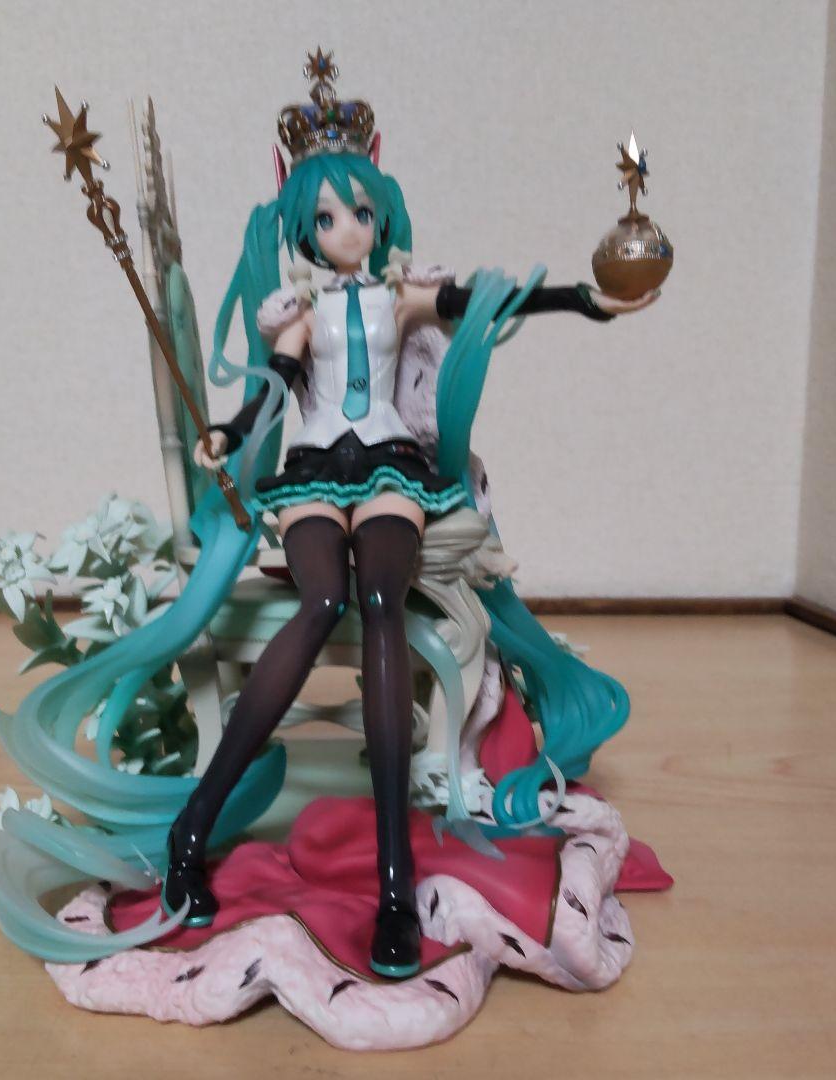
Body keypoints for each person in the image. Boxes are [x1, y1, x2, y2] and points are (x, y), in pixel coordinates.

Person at [161, 50, 656, 979]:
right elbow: (274, 390)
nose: (345, 229)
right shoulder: (296, 307)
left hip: (391, 468)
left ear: (381, 208)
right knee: (321, 603)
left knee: (383, 603)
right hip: (314, 472)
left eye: (358, 211)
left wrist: (588, 301)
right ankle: (192, 829)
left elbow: (492, 302)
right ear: (301, 223)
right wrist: (228, 433)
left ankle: (395, 883)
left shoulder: (404, 292)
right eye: (324, 217)